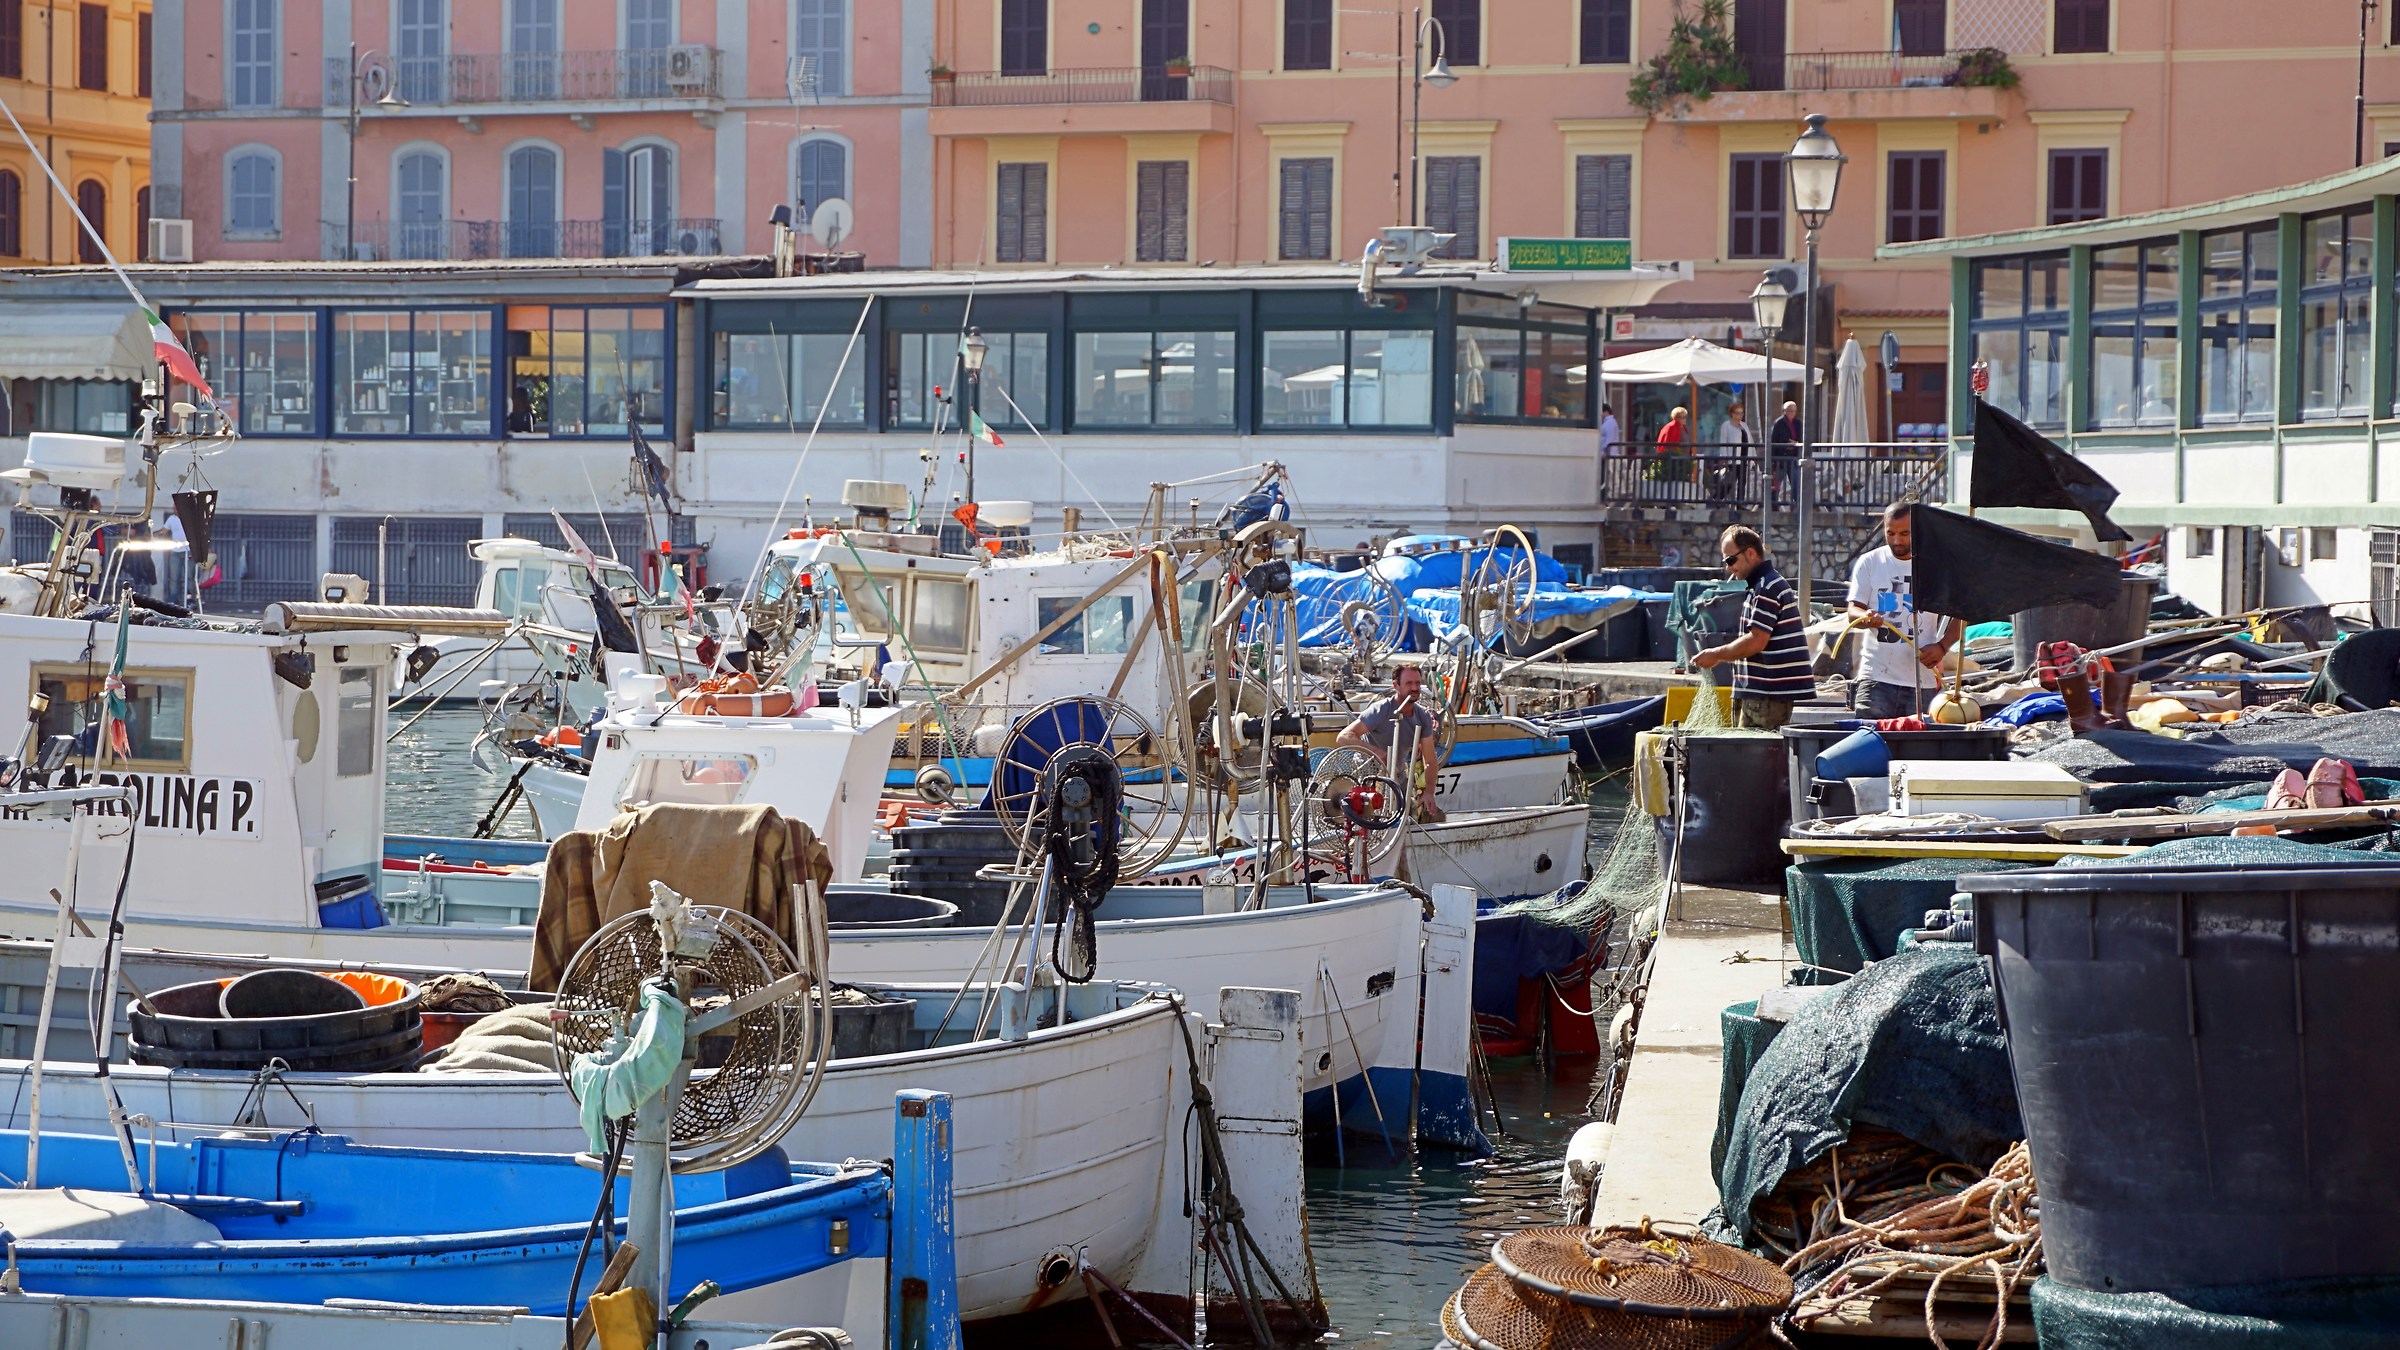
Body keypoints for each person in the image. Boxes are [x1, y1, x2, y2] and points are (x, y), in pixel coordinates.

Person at [1846, 501, 1962, 720]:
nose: (1897, 541)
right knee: (1868, 737)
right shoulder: (1870, 562)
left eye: (1904, 534)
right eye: (1890, 533)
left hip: (1922, 682)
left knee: (1917, 741)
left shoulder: (1937, 565)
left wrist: (1942, 646)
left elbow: (1962, 614)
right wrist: (1865, 617)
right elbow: (1853, 610)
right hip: (1876, 679)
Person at [1691, 525, 1814, 730]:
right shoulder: (1762, 586)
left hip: (1767, 693)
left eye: (1731, 560)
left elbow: (1756, 641)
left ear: (1750, 553)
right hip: (1760, 692)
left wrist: (1716, 654)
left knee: (1754, 750)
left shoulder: (1767, 587)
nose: (1728, 568)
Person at [1338, 664, 1446, 822]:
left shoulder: (1423, 717)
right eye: (1409, 683)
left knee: (1432, 818)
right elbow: (1343, 737)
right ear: (1396, 685)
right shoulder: (1381, 710)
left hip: (1397, 777)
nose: (1414, 688)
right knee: (1371, 823)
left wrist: (1429, 792)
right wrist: (1378, 753)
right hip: (1367, 776)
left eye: (1417, 683)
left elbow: (1430, 760)